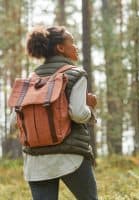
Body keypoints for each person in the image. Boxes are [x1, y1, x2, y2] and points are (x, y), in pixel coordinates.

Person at [16, 26, 98, 200]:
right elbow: (77, 114)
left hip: (36, 161)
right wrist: (89, 107)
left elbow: (14, 120)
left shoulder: (30, 80)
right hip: (71, 157)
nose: (75, 46)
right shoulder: (75, 74)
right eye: (72, 42)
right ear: (60, 48)